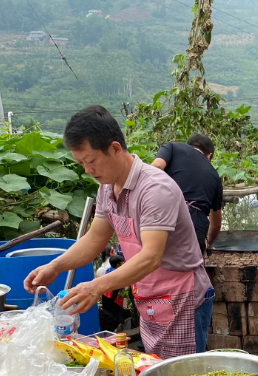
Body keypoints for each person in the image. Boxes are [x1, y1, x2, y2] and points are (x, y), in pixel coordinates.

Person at [23, 106, 213, 358]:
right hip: (150, 295)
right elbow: (94, 239)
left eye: (91, 161)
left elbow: (151, 256)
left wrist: (96, 286)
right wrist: (54, 267)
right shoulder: (107, 188)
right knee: (154, 370)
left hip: (181, 298)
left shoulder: (154, 189)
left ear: (114, 148)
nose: (87, 170)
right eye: (81, 164)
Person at [151, 133, 223, 255]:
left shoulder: (172, 147)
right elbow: (216, 224)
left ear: (188, 145)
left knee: (154, 263)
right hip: (195, 229)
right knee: (188, 272)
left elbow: (156, 168)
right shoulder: (215, 176)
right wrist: (207, 243)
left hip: (164, 217)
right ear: (209, 155)